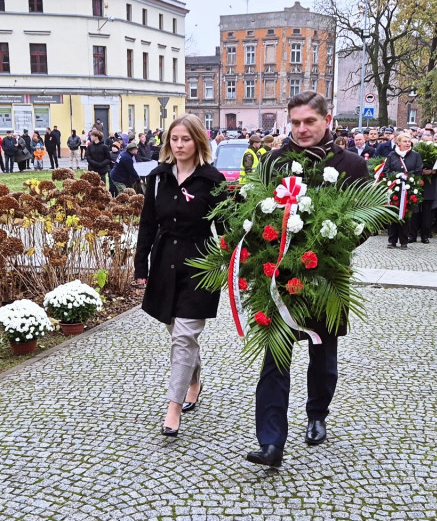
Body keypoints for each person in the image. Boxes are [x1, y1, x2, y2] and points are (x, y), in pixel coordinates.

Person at [244, 91, 368, 469]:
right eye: (295, 122)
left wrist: (330, 238)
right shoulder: (274, 162)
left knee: (323, 354)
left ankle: (317, 414)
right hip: (280, 278)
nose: (301, 129)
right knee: (275, 358)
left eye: (309, 122)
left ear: (326, 120)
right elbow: (255, 210)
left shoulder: (351, 166)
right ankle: (270, 443)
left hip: (326, 277)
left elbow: (365, 223)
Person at [134, 114, 225, 437]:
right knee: (179, 333)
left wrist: (233, 263)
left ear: (198, 141)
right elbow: (147, 223)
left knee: (185, 335)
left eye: (186, 139)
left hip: (201, 264)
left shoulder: (212, 181)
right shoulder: (158, 177)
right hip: (164, 262)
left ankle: (173, 408)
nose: (180, 145)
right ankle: (194, 381)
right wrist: (140, 265)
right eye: (175, 139)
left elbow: (224, 228)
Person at [384, 132, 423, 249]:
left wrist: (406, 176)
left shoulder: (415, 155)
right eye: (404, 141)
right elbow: (386, 170)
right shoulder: (392, 155)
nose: (407, 143)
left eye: (409, 141)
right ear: (398, 143)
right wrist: (396, 176)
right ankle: (392, 240)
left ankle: (404, 241)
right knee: (392, 214)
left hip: (409, 189)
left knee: (406, 215)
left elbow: (418, 170)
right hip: (394, 188)